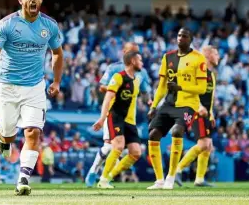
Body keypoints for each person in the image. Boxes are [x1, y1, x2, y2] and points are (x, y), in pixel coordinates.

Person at [0, 0, 63, 196]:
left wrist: (56, 81)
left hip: (34, 87)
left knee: (33, 132)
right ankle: (4, 138)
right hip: (7, 85)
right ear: (20, 0)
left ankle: (23, 178)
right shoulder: (7, 24)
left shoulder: (49, 26)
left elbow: (57, 53)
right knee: (8, 134)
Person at [147, 28, 207, 190]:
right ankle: (159, 180)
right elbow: (161, 86)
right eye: (179, 35)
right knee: (153, 135)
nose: (181, 38)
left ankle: (171, 177)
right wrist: (153, 106)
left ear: (191, 39)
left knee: (177, 131)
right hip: (168, 103)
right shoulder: (168, 57)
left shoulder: (198, 58)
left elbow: (201, 88)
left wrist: (181, 87)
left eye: (185, 36)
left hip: (188, 104)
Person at [85, 42, 151, 187]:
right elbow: (102, 88)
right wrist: (117, 88)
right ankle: (95, 173)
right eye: (134, 53)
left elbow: (145, 91)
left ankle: (106, 176)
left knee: (133, 151)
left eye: (137, 52)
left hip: (130, 117)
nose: (138, 56)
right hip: (114, 114)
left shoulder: (141, 73)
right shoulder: (115, 70)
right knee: (112, 146)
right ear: (126, 53)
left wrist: (150, 102)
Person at [175, 46, 219, 187]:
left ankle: (199, 179)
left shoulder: (211, 74)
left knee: (208, 146)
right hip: (194, 110)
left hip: (205, 113)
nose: (218, 56)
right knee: (203, 144)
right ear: (208, 55)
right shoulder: (196, 70)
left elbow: (210, 97)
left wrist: (211, 112)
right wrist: (199, 106)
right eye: (216, 53)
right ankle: (177, 169)